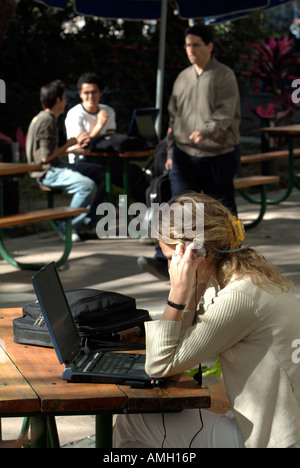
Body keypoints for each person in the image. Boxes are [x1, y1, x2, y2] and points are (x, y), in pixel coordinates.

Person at [114, 192, 300, 448]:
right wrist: (191, 291)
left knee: (132, 422)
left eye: (170, 258)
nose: (170, 267)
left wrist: (177, 294)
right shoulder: (244, 274)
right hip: (283, 428)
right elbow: (181, 347)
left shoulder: (239, 297)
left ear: (196, 251)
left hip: (277, 441)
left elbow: (159, 366)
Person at [138, 23, 241, 280]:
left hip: (219, 152)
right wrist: (171, 153)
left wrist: (206, 130)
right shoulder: (182, 77)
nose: (191, 50)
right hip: (184, 153)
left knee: (223, 211)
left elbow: (226, 112)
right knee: (179, 209)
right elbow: (174, 120)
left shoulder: (224, 75)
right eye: (187, 45)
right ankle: (166, 259)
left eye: (196, 44)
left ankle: (235, 258)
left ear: (209, 46)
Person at [26, 79, 105, 242]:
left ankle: (85, 223)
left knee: (99, 172)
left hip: (56, 165)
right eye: (64, 97)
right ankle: (66, 227)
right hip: (47, 171)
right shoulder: (47, 120)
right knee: (86, 186)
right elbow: (45, 157)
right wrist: (70, 143)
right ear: (58, 100)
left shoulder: (46, 118)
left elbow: (49, 152)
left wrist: (70, 147)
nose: (66, 101)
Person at [65, 72, 149, 203]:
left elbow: (111, 140)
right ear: (80, 94)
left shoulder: (108, 111)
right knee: (102, 174)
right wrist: (99, 125)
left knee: (135, 173)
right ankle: (92, 219)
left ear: (100, 93)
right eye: (86, 93)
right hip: (83, 161)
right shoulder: (75, 115)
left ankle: (145, 214)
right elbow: (80, 147)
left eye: (94, 92)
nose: (90, 96)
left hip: (107, 159)